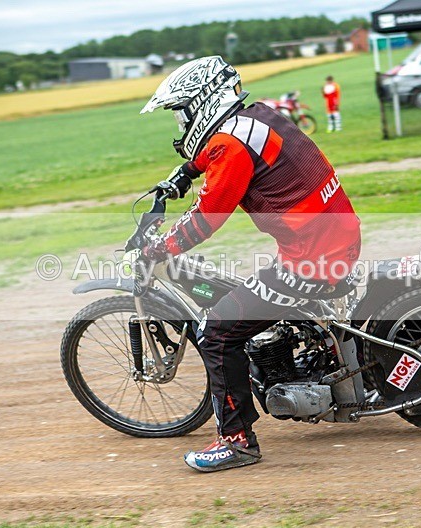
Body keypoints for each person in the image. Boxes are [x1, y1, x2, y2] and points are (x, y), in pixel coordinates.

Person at [139, 56, 361, 473]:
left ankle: (236, 441)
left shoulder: (231, 147)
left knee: (215, 333)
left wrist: (160, 248)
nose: (181, 124)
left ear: (202, 103)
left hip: (312, 258)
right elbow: (218, 153)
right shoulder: (259, 116)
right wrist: (187, 171)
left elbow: (205, 218)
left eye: (182, 113)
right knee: (248, 302)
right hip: (334, 236)